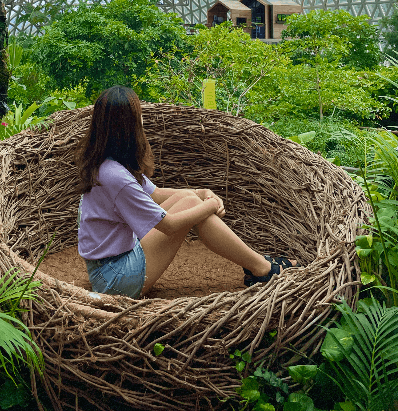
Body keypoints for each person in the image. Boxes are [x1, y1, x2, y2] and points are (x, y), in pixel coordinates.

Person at [76, 85, 299, 299]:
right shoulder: (115, 176)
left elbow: (155, 194)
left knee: (190, 199)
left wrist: (201, 192)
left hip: (108, 267)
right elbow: (169, 225)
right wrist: (209, 206)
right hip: (114, 279)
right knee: (192, 204)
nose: (142, 120)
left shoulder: (108, 163)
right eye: (139, 115)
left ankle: (259, 265)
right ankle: (263, 268)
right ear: (127, 125)